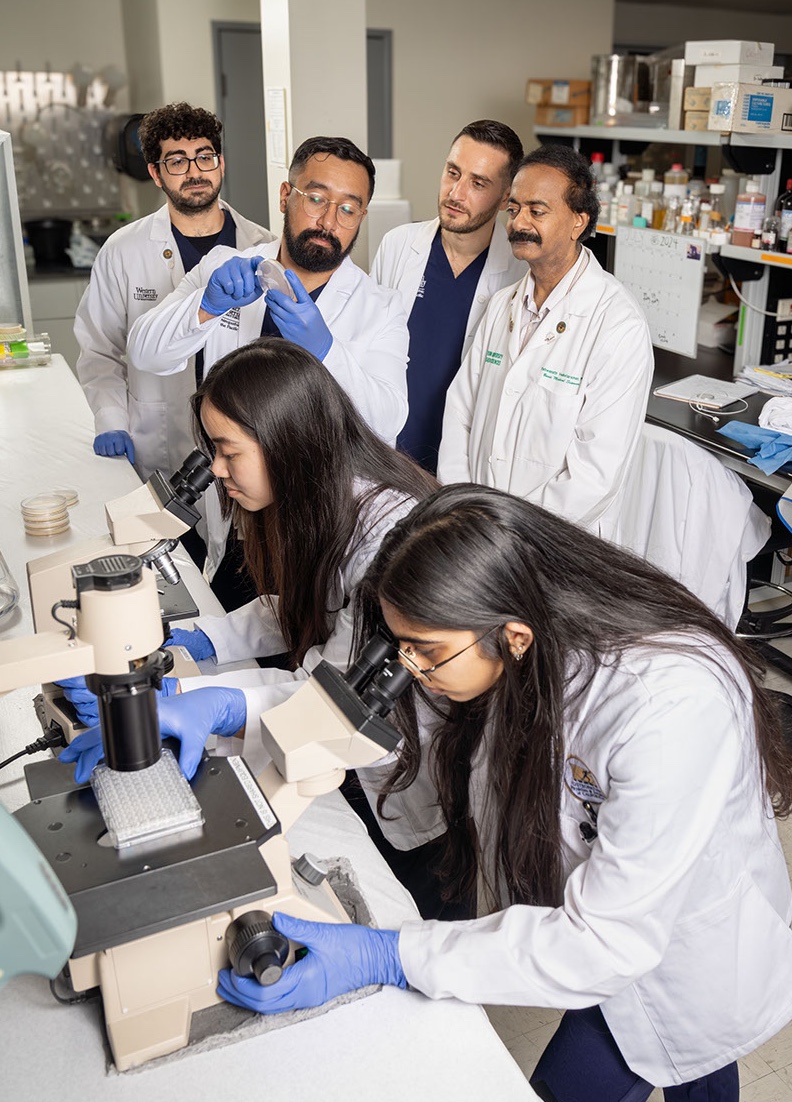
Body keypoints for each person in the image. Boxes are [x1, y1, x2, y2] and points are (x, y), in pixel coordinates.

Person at [199, 484, 792, 1102]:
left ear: (513, 635)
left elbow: (603, 943)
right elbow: (357, 716)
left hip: (678, 944)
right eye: (402, 647)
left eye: (426, 653)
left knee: (670, 1057)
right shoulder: (497, 639)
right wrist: (232, 709)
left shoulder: (666, 705)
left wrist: (387, 956)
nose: (411, 669)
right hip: (603, 915)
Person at [60, 337, 455, 918]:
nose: (216, 471)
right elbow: (301, 606)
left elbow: (340, 698)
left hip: (418, 782)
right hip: (366, 753)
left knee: (402, 916)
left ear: (285, 440)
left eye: (226, 451)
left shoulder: (385, 541)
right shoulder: (320, 496)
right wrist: (201, 640)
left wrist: (205, 702)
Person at [127, 135, 410, 607]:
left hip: (315, 525)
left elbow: (385, 424)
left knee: (300, 648)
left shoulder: (379, 308)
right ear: (286, 195)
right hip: (233, 515)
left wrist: (325, 352)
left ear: (362, 217)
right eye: (316, 198)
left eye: (348, 208)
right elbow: (146, 352)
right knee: (226, 628)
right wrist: (205, 306)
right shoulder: (225, 266)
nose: (328, 219)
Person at [438, 144, 654, 530]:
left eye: (537, 211)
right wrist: (461, 510)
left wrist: (514, 532)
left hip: (557, 542)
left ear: (578, 221)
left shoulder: (617, 324)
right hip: (477, 526)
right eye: (514, 209)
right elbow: (460, 411)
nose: (519, 223)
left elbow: (595, 474)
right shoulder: (503, 305)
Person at [75, 102, 274, 485]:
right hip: (158, 439)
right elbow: (100, 350)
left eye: (205, 157)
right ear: (156, 173)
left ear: (221, 162)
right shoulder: (123, 250)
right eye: (177, 161)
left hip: (244, 439)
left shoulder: (261, 246)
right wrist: (111, 419)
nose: (195, 172)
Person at [371, 120, 526, 472]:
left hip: (463, 468)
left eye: (478, 183)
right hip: (387, 457)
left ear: (505, 198)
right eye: (452, 173)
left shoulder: (520, 276)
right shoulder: (398, 246)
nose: (456, 193)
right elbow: (367, 352)